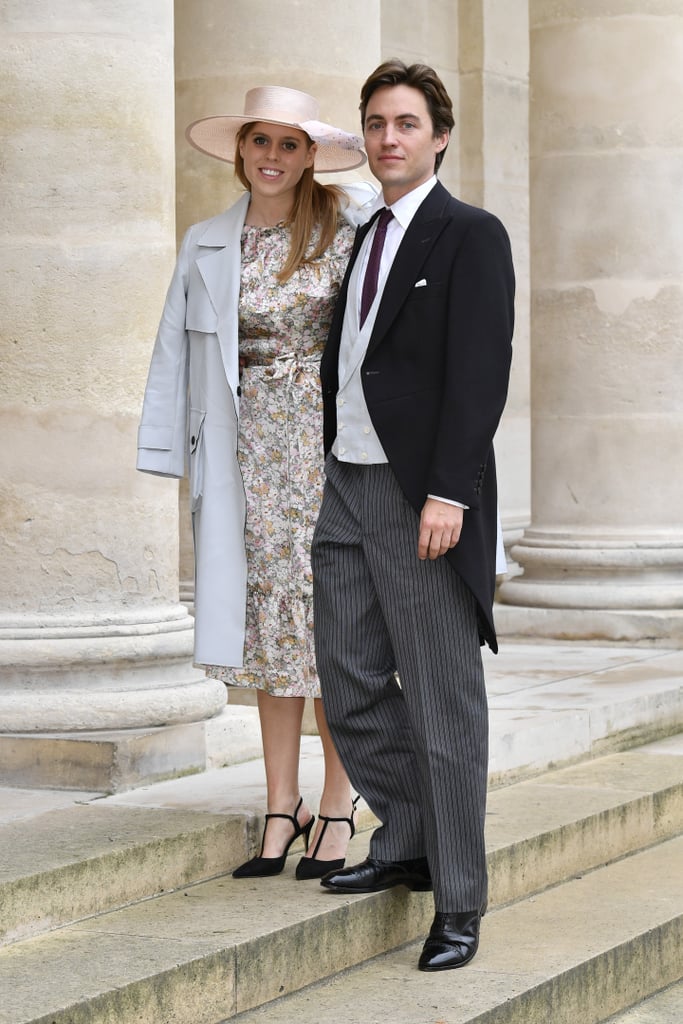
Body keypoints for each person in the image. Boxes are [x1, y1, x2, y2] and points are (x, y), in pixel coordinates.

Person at [137, 86, 374, 881]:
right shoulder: (208, 240)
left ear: (310, 153)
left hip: (333, 447)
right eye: (258, 142)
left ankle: (338, 803)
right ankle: (281, 805)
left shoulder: (347, 228)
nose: (270, 157)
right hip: (244, 452)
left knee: (331, 629)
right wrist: (166, 453)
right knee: (271, 632)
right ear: (239, 151)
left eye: (288, 143)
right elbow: (174, 352)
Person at [311, 61, 515, 970]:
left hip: (417, 494)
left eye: (405, 123)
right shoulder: (363, 234)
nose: (389, 138)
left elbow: (479, 375)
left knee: (442, 703)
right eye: (375, 124)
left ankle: (458, 900)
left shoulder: (470, 234)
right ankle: (406, 837)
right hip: (345, 484)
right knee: (348, 682)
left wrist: (449, 493)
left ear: (439, 136)